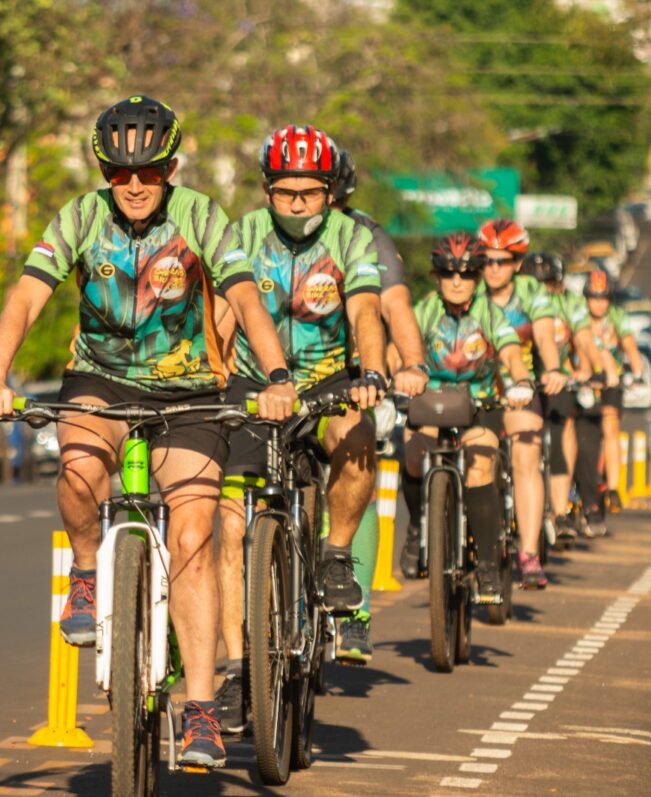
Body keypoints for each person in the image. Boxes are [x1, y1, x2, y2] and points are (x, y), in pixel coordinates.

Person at [0, 96, 299, 769]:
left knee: (192, 534)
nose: (134, 185)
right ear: (103, 171)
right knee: (78, 474)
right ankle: (88, 572)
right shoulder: (81, 217)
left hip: (189, 391)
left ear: (170, 168)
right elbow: (27, 296)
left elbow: (244, 297)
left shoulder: (201, 216)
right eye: (119, 172)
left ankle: (203, 709)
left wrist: (275, 375)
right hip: (100, 379)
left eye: (148, 171)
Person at [214, 125, 388, 732]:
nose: (295, 204)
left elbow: (366, 309)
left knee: (358, 438)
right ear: (266, 189)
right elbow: (221, 314)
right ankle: (236, 672)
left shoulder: (350, 238)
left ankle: (336, 555)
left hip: (325, 384)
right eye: (284, 191)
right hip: (251, 388)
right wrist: (211, 378)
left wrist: (369, 371)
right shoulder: (240, 235)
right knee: (228, 520)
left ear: (330, 191)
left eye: (310, 193)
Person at [324, 145, 428, 664]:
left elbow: (394, 305)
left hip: (351, 375)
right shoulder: (265, 232)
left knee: (357, 464)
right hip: (283, 377)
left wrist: (411, 363)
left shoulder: (367, 237)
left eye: (328, 198)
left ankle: (354, 614)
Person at [402, 232, 534, 603]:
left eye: (465, 273)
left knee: (481, 465)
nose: (456, 281)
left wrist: (521, 380)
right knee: (412, 453)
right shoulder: (424, 310)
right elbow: (402, 350)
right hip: (433, 400)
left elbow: (510, 352)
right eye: (447, 273)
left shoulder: (490, 313)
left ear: (477, 277)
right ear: (437, 276)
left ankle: (489, 566)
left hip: (481, 404)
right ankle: (417, 528)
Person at [475, 220, 566, 590]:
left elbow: (544, 338)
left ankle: (528, 553)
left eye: (504, 260)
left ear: (517, 262)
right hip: (477, 390)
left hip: (521, 389)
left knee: (526, 455)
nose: (494, 267)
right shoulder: (468, 288)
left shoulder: (531, 292)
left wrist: (555, 368)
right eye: (488, 260)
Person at [523, 253, 604, 542]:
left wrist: (589, 368)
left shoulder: (569, 303)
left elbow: (583, 339)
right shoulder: (517, 299)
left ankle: (559, 512)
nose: (545, 289)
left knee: (562, 427)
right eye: (537, 283)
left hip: (557, 380)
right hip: (520, 380)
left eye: (550, 283)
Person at [576, 267, 645, 536]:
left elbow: (630, 347)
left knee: (611, 428)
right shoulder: (578, 318)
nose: (599, 303)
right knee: (583, 440)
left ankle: (614, 487)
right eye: (593, 297)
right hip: (586, 383)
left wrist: (637, 372)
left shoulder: (616, 317)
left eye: (603, 298)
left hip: (611, 384)